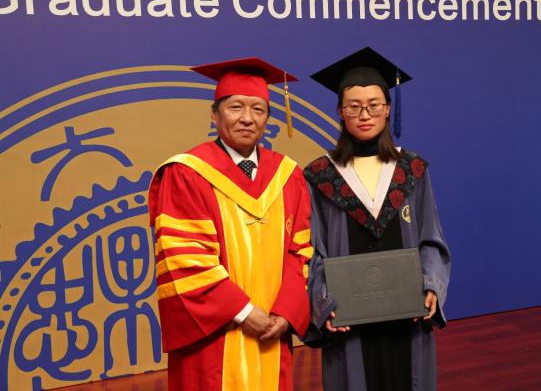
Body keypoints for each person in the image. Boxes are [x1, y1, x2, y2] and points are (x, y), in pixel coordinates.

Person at [147, 57, 313, 391]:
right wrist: (244, 312)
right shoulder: (187, 173)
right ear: (215, 114)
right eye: (236, 107)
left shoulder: (288, 176)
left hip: (273, 331)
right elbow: (185, 259)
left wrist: (286, 312)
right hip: (214, 337)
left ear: (268, 117)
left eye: (258, 109)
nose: (247, 118)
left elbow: (301, 251)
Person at [303, 47, 451, 391]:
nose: (364, 114)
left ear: (387, 110)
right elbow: (314, 249)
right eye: (354, 106)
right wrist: (324, 302)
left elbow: (431, 238)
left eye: (373, 105)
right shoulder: (320, 175)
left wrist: (431, 284)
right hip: (350, 317)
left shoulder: (412, 169)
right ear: (340, 112)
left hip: (406, 314)